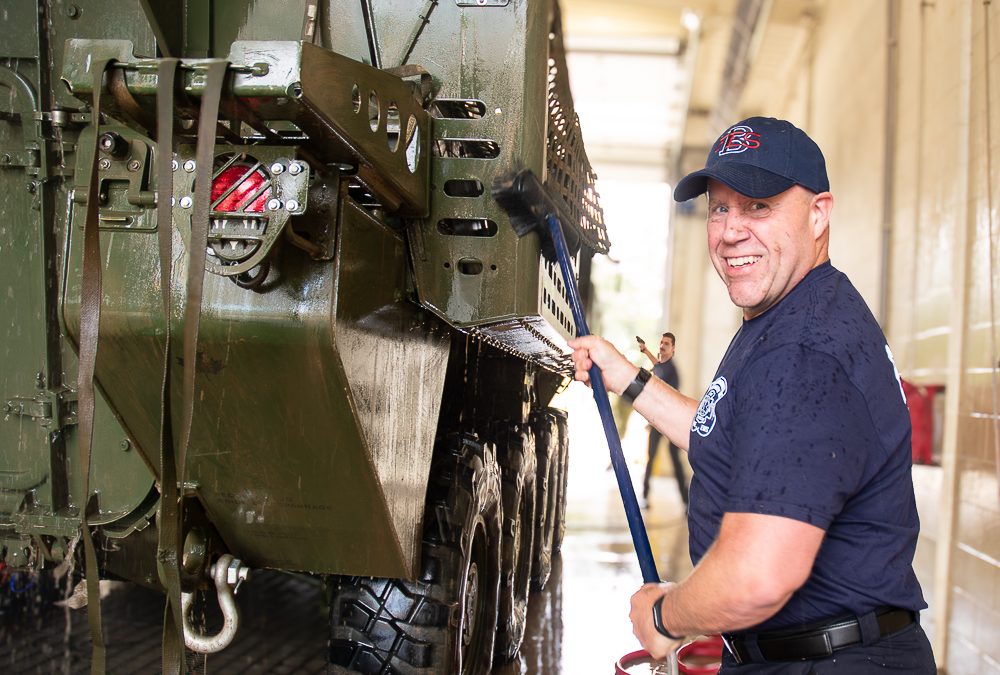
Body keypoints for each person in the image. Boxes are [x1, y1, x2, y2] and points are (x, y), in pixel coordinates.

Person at [569, 117, 935, 672]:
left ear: (818, 214)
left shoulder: (802, 350)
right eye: (720, 208)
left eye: (758, 206)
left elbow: (758, 574)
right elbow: (729, 433)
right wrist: (627, 377)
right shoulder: (795, 312)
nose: (731, 230)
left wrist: (667, 617)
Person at [638, 333, 688, 506]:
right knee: (651, 457)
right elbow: (655, 364)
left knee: (674, 458)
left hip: (670, 420)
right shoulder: (660, 365)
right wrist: (645, 350)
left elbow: (666, 392)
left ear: (673, 349)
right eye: (661, 342)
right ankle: (644, 495)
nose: (662, 346)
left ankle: (685, 500)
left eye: (667, 344)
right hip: (657, 421)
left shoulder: (670, 369)